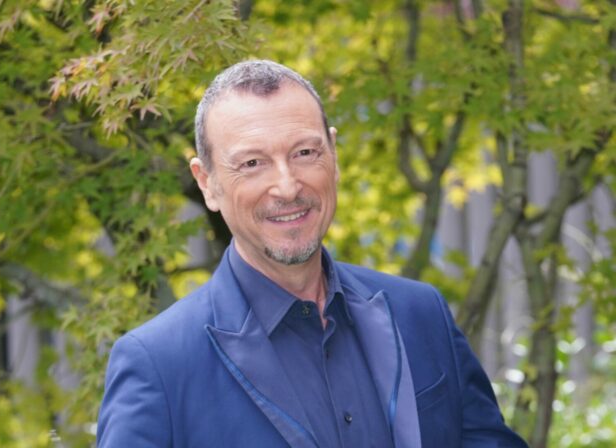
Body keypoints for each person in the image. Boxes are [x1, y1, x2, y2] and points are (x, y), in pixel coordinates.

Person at [97, 60, 528, 448]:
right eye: (252, 163)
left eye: (304, 153)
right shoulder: (158, 365)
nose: (287, 187)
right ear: (207, 183)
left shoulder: (419, 314)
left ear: (333, 156)